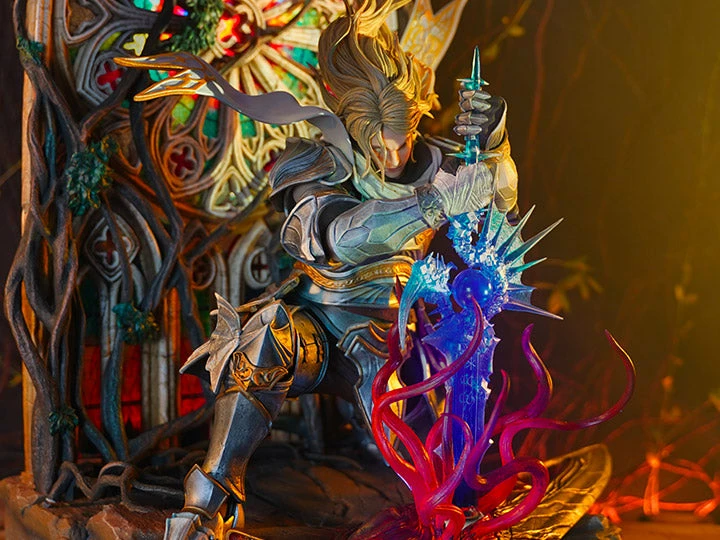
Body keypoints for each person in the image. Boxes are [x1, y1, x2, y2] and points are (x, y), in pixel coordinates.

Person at [137, 1, 519, 537]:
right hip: (316, 324)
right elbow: (338, 237)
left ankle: (455, 507)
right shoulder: (318, 161)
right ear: (353, 127)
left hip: (393, 337)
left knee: (431, 459)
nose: (394, 156)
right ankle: (209, 501)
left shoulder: (436, 163)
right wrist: (431, 205)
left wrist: (494, 144)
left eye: (402, 139)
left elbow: (500, 207)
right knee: (262, 337)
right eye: (379, 143)